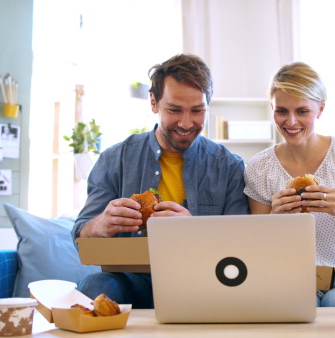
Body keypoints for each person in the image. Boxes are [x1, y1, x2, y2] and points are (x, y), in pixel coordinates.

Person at [72, 53, 249, 308]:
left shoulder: (229, 166)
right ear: (153, 102)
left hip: (206, 282)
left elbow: (242, 245)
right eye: (174, 110)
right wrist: (101, 224)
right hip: (134, 282)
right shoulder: (115, 159)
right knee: (94, 286)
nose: (186, 122)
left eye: (197, 111)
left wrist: (195, 231)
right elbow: (81, 239)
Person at [244, 62, 335, 307]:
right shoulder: (259, 168)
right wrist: (273, 218)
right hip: (297, 280)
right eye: (281, 111)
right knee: (291, 301)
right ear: (272, 108)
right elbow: (257, 250)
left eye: (302, 111)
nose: (290, 122)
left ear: (320, 109)